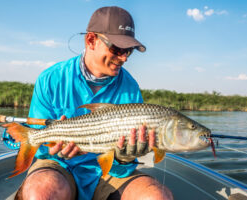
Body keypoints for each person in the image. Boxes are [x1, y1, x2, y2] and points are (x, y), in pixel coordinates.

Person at [15, 6, 173, 200]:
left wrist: (125, 158)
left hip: (108, 173)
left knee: (157, 197)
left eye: (129, 51)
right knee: (40, 192)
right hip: (59, 166)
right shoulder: (50, 79)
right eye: (117, 48)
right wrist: (52, 149)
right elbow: (41, 149)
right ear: (91, 40)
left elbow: (123, 165)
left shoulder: (130, 88)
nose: (123, 58)